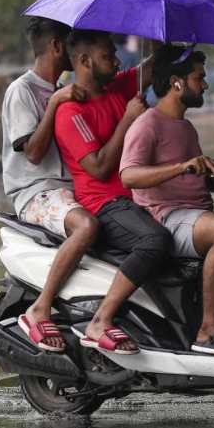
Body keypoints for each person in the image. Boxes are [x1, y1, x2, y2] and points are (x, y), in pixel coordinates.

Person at [119, 45, 214, 355]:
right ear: (177, 82)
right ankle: (208, 328)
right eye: (199, 78)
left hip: (194, 216)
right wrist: (182, 166)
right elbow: (129, 176)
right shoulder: (147, 124)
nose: (205, 84)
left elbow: (188, 177)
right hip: (166, 218)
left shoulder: (185, 127)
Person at [54, 28, 169, 355]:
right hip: (104, 203)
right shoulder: (70, 111)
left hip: (139, 196)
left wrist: (157, 28)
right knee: (155, 241)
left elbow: (156, 63)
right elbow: (99, 167)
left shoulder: (121, 87)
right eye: (108, 56)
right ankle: (101, 321)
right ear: (85, 61)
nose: (117, 62)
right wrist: (129, 120)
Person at [1, 17, 99, 352]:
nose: (75, 52)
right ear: (57, 47)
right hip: (37, 192)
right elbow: (32, 153)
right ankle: (40, 308)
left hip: (68, 189)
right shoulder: (23, 91)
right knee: (85, 227)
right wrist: (56, 103)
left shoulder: (62, 91)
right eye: (69, 45)